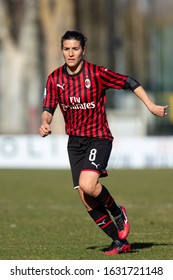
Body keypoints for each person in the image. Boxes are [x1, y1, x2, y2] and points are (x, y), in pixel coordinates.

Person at [39, 30, 168, 255]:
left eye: (75, 49)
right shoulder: (55, 79)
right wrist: (45, 122)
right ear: (62, 50)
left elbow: (130, 82)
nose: (70, 53)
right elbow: (48, 108)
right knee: (86, 197)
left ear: (83, 50)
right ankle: (119, 242)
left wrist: (151, 106)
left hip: (99, 138)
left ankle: (118, 212)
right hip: (75, 142)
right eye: (67, 49)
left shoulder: (96, 74)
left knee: (89, 185)